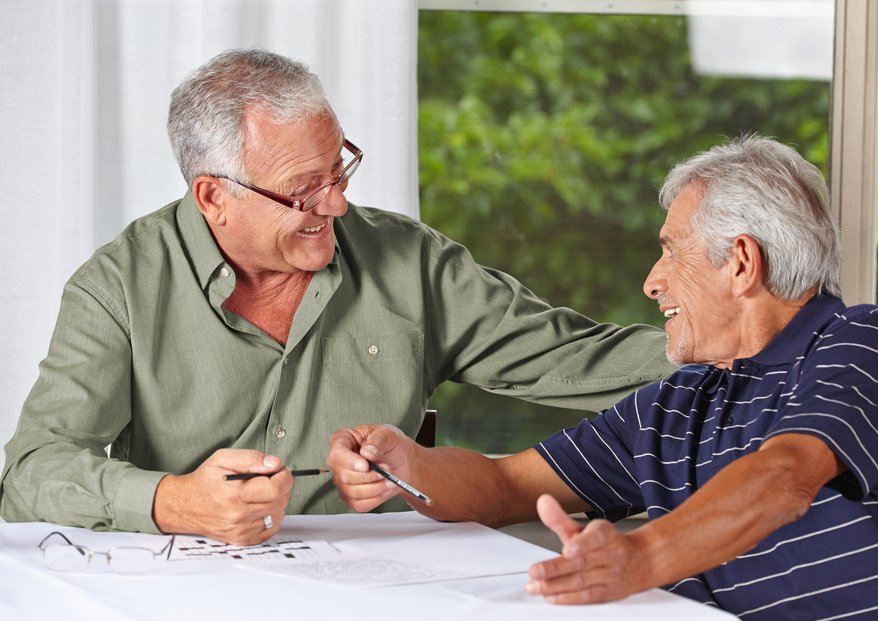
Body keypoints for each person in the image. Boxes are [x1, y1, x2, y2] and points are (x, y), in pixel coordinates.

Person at [326, 135, 878, 621]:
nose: (651, 281)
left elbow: (784, 476)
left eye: (669, 251)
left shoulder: (861, 341)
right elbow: (506, 486)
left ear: (741, 262)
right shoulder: (684, 400)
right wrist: (409, 468)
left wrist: (638, 557)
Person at [0, 49, 672, 546]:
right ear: (214, 197)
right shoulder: (118, 285)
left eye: (339, 168)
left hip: (388, 603)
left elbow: (576, 357)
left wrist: (741, 346)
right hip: (183, 607)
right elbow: (32, 472)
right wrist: (173, 500)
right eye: (303, 190)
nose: (338, 202)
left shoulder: (409, 262)